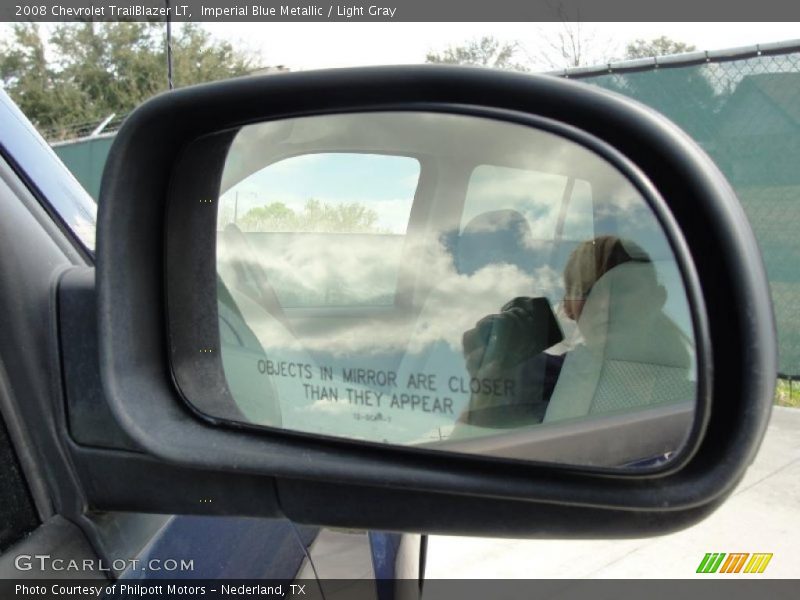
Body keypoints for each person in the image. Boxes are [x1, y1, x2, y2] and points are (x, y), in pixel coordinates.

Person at [457, 235, 690, 427]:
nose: (604, 304)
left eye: (622, 287)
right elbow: (471, 443)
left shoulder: (695, 400)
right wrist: (489, 383)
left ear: (657, 298)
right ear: (569, 308)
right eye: (587, 292)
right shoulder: (538, 380)